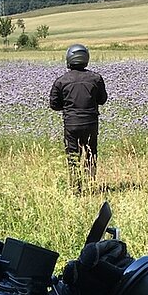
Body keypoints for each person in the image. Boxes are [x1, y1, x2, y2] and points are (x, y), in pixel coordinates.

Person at [49, 43, 107, 192]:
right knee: (91, 153)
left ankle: (76, 188)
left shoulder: (61, 81)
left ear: (69, 59)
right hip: (91, 123)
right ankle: (91, 185)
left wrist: (69, 108)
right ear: (86, 58)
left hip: (71, 123)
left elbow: (54, 104)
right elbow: (102, 100)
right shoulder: (96, 78)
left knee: (73, 155)